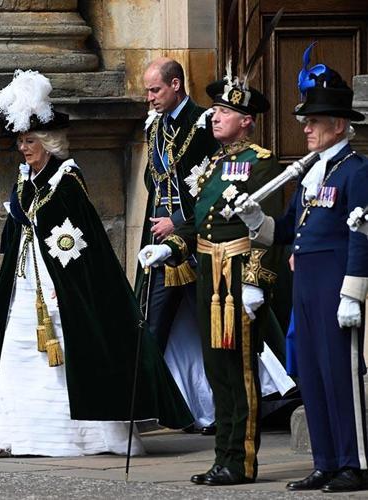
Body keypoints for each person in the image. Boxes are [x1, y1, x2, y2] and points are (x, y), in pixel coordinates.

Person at [0, 70, 192, 459]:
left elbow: (78, 241)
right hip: (24, 281)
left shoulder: (66, 179)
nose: (24, 147)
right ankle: (5, 433)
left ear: (49, 142)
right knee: (17, 351)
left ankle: (76, 436)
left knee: (65, 353)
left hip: (57, 282)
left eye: (30, 140)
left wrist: (62, 281)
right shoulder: (25, 180)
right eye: (20, 140)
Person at [140, 77, 286, 485]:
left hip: (238, 278)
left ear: (246, 121)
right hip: (208, 277)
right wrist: (172, 248)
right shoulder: (214, 165)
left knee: (238, 371)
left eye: (224, 112)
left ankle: (240, 461)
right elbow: (201, 224)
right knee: (215, 370)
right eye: (215, 110)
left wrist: (257, 281)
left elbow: (266, 228)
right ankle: (222, 456)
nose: (215, 117)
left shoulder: (261, 163)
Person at [236, 65, 368, 493]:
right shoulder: (312, 171)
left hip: (335, 280)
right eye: (306, 122)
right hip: (306, 281)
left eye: (313, 122)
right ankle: (326, 460)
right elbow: (288, 229)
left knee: (340, 374)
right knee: (311, 373)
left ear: (339, 125)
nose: (306, 129)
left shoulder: (355, 170)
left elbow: (362, 231)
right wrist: (258, 221)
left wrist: (353, 292)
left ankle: (355, 461)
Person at [138, 57, 219, 433]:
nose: (150, 98)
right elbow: (153, 183)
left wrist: (180, 223)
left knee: (211, 326)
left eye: (155, 90)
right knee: (153, 324)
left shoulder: (203, 123)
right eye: (147, 91)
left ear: (175, 85)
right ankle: (154, 405)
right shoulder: (154, 127)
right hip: (160, 243)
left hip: (196, 240)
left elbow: (213, 190)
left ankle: (220, 409)